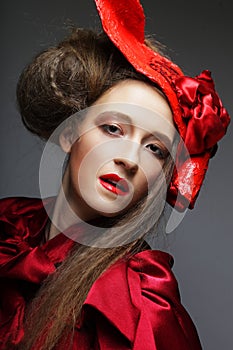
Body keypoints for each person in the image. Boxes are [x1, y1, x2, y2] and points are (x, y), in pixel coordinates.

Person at [0, 0, 230, 349]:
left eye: (155, 149)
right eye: (112, 128)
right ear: (68, 134)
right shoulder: (8, 225)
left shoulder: (141, 302)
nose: (129, 159)